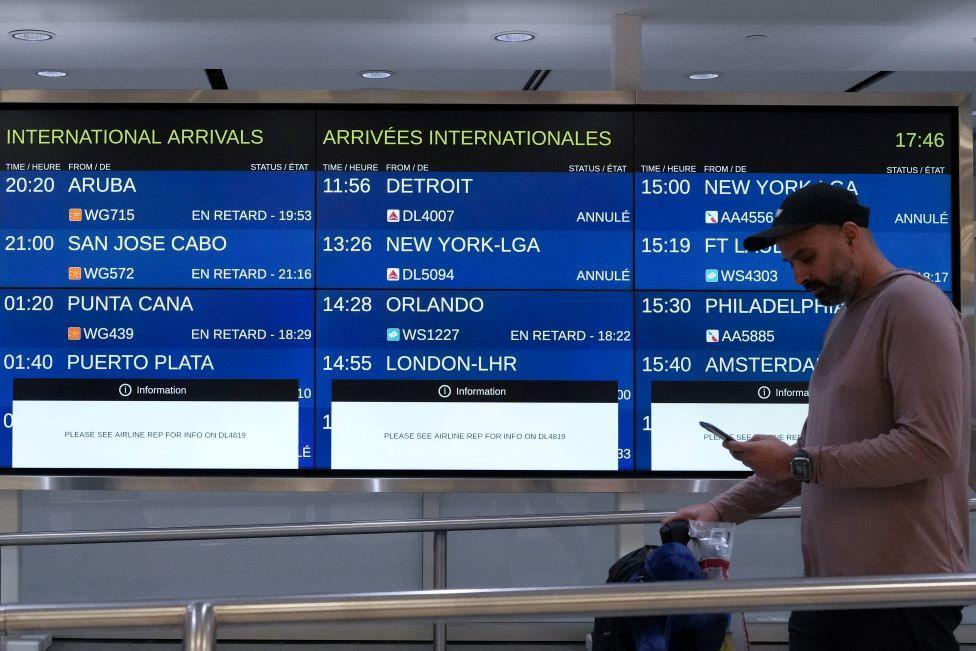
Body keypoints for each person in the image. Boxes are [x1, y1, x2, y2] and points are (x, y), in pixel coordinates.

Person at [665, 182, 971, 650]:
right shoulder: (845, 321)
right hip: (832, 594)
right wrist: (721, 509)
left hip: (901, 597)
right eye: (790, 263)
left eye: (807, 258)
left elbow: (932, 446)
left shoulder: (912, 306)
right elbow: (808, 465)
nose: (799, 278)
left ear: (851, 235)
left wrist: (798, 462)